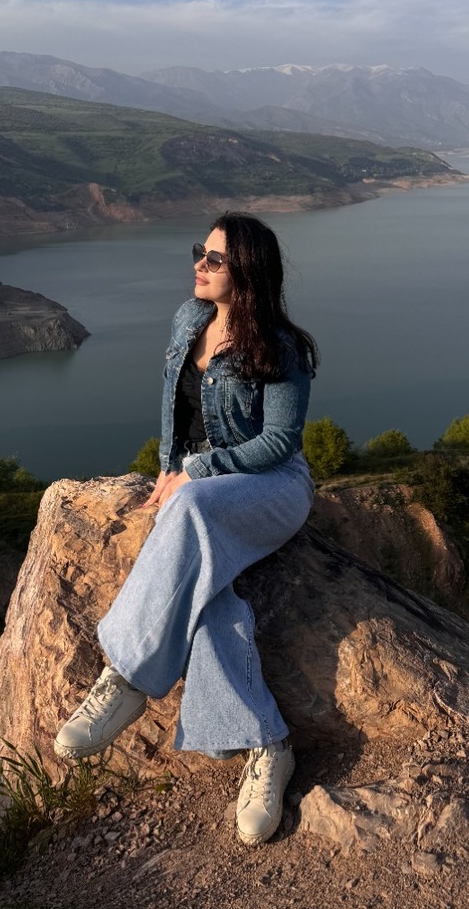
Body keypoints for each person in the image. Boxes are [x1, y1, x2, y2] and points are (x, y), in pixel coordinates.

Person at [54, 211, 318, 846]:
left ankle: (126, 676)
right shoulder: (188, 320)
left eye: (216, 258)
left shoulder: (281, 347)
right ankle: (268, 745)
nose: (200, 263)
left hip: (272, 486)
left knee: (193, 510)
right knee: (206, 596)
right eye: (201, 250)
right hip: (200, 488)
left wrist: (196, 472)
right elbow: (173, 408)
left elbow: (280, 443)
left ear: (247, 271)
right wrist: (169, 470)